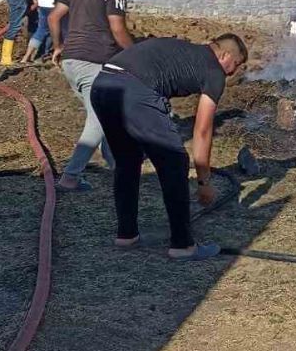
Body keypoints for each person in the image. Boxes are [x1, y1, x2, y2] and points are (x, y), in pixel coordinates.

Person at [90, 34, 248, 260]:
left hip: (103, 84)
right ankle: (183, 245)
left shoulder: (185, 51)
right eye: (236, 65)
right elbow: (202, 130)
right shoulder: (214, 71)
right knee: (175, 160)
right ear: (225, 55)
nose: (233, 72)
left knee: (128, 160)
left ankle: (126, 234)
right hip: (134, 89)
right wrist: (204, 182)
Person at [48, 0, 149, 191]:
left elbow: (53, 18)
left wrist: (58, 46)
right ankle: (70, 176)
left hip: (71, 62)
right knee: (99, 121)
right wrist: (137, 57)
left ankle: (115, 162)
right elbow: (118, 29)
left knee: (102, 115)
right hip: (94, 64)